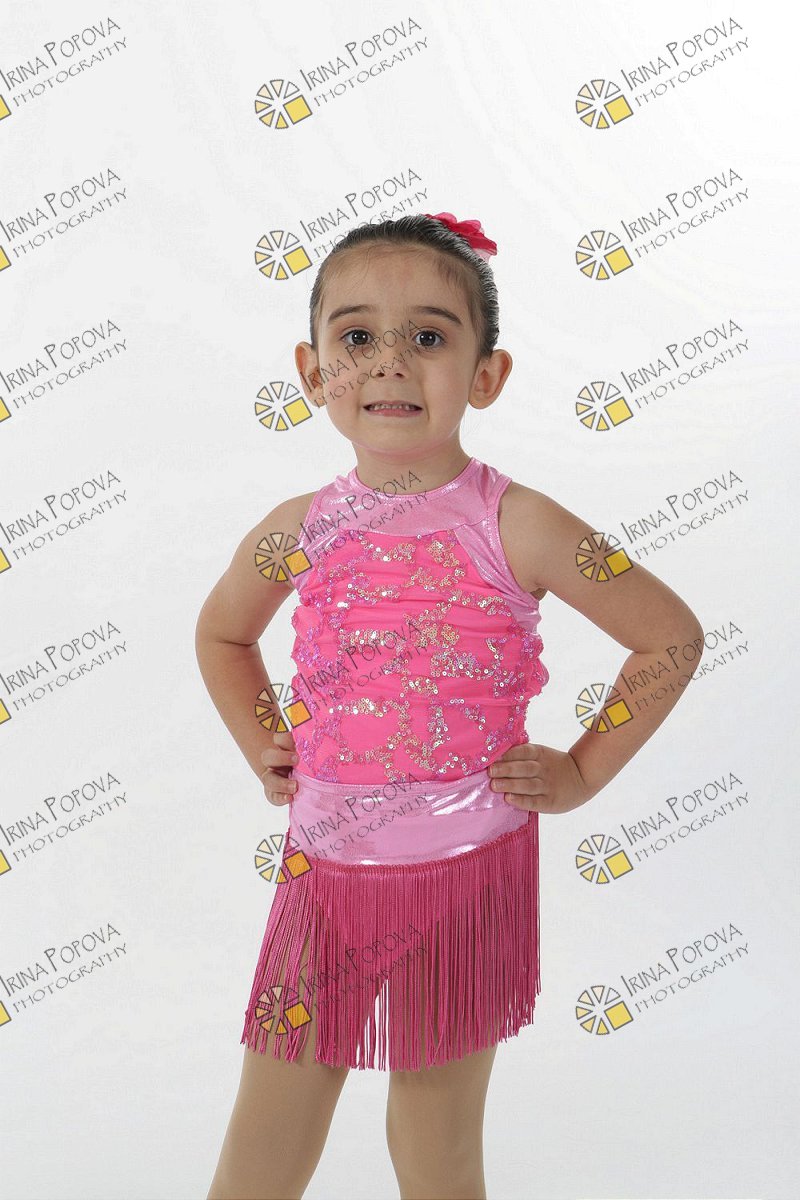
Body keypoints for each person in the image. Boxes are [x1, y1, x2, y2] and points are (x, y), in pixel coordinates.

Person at [196, 211, 704, 1200]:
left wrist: (581, 770)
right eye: (356, 336)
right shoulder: (295, 530)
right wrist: (264, 741)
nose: (390, 360)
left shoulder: (522, 523)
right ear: (312, 372)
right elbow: (222, 635)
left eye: (427, 335)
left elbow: (668, 636)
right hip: (326, 872)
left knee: (436, 1144)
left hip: (469, 877)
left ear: (485, 375)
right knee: (268, 1134)